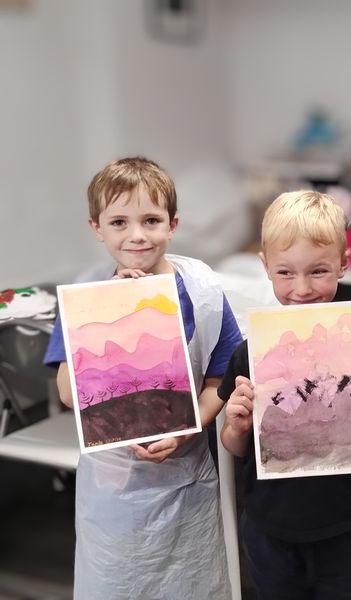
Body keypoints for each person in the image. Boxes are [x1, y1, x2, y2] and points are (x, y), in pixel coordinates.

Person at [44, 156, 242, 599]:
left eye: (151, 220)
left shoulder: (204, 292)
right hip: (112, 488)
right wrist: (112, 317)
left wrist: (187, 429)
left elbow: (219, 385)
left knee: (190, 582)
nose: (136, 235)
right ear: (97, 227)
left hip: (186, 481)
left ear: (172, 225)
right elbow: (65, 391)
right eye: (119, 222)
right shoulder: (86, 300)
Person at [218, 190, 351, 600]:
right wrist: (235, 425)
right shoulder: (249, 353)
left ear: (343, 264)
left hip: (348, 524)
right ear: (265, 267)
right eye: (285, 273)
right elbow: (235, 447)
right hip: (270, 527)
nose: (302, 289)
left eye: (318, 271)